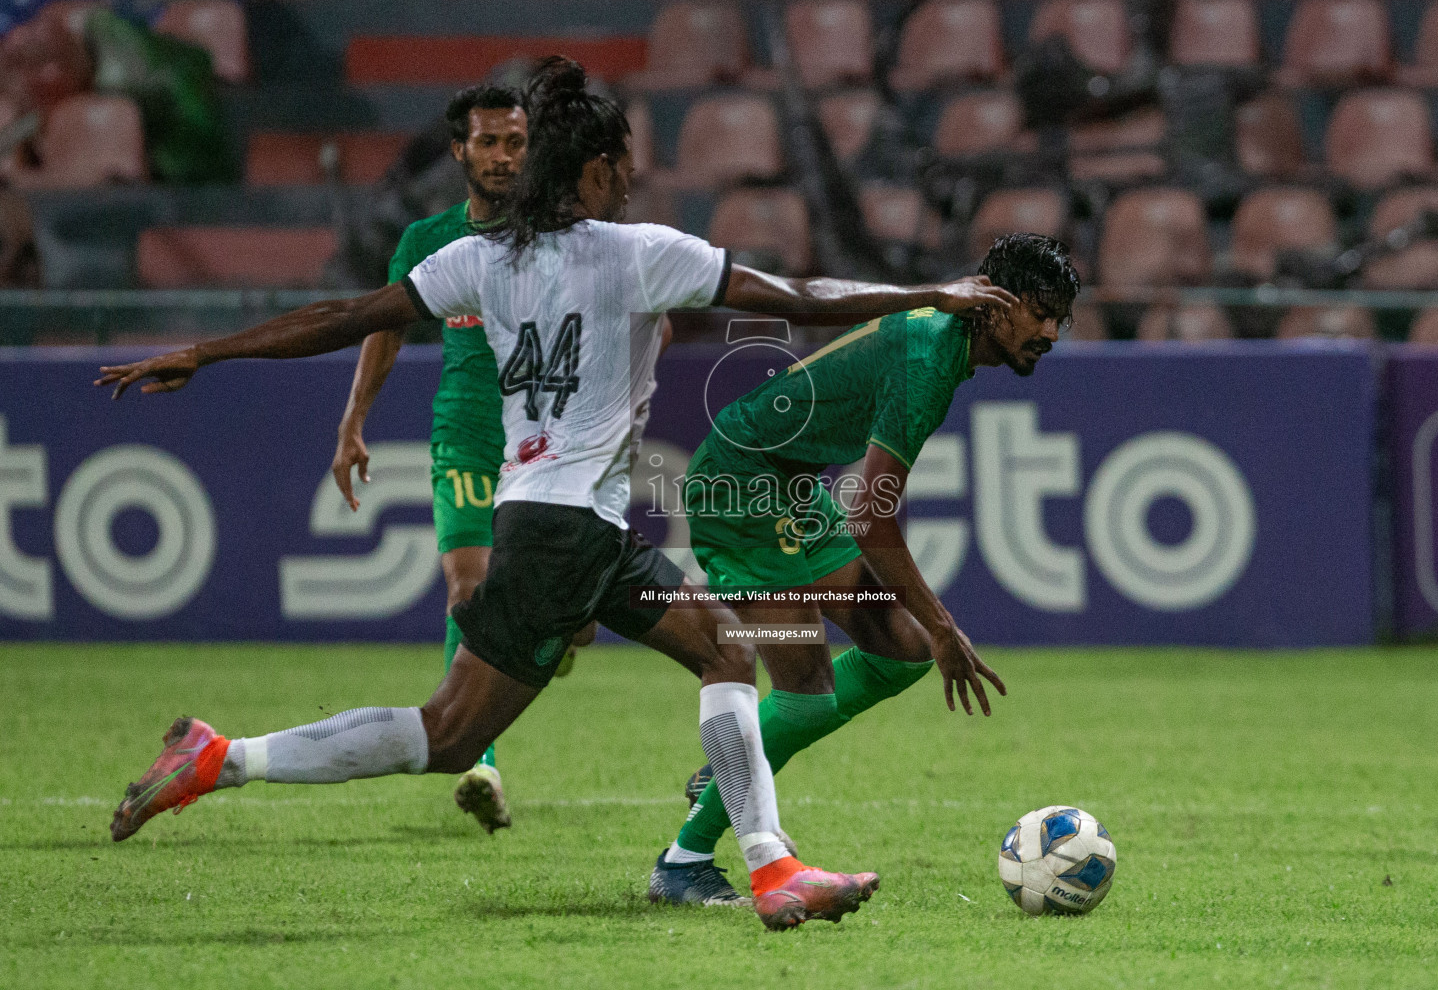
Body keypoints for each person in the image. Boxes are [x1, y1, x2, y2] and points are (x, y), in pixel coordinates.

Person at [95, 56, 1019, 931]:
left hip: (562, 520)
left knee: (725, 654)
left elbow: (344, 317)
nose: (631, 183)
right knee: (450, 732)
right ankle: (223, 760)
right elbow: (801, 293)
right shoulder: (636, 252)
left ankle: (768, 867)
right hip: (565, 532)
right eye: (622, 168)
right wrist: (927, 292)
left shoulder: (481, 259)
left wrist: (207, 351)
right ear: (593, 174)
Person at [649, 233, 1077, 906]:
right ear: (993, 302)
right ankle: (683, 860)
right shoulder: (930, 359)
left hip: (787, 482)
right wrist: (944, 624)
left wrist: (928, 632)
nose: (1050, 331)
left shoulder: (946, 343)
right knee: (811, 689)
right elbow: (871, 517)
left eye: (1061, 317)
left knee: (900, 651)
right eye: (1039, 310)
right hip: (742, 481)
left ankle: (741, 761)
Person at [331, 83, 542, 836]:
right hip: (466, 432)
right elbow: (384, 330)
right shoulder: (427, 241)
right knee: (468, 585)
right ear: (460, 151)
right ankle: (478, 756)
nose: (502, 157)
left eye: (515, 143)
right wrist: (354, 420)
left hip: (547, 440)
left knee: (561, 619)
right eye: (488, 143)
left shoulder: (557, 237)